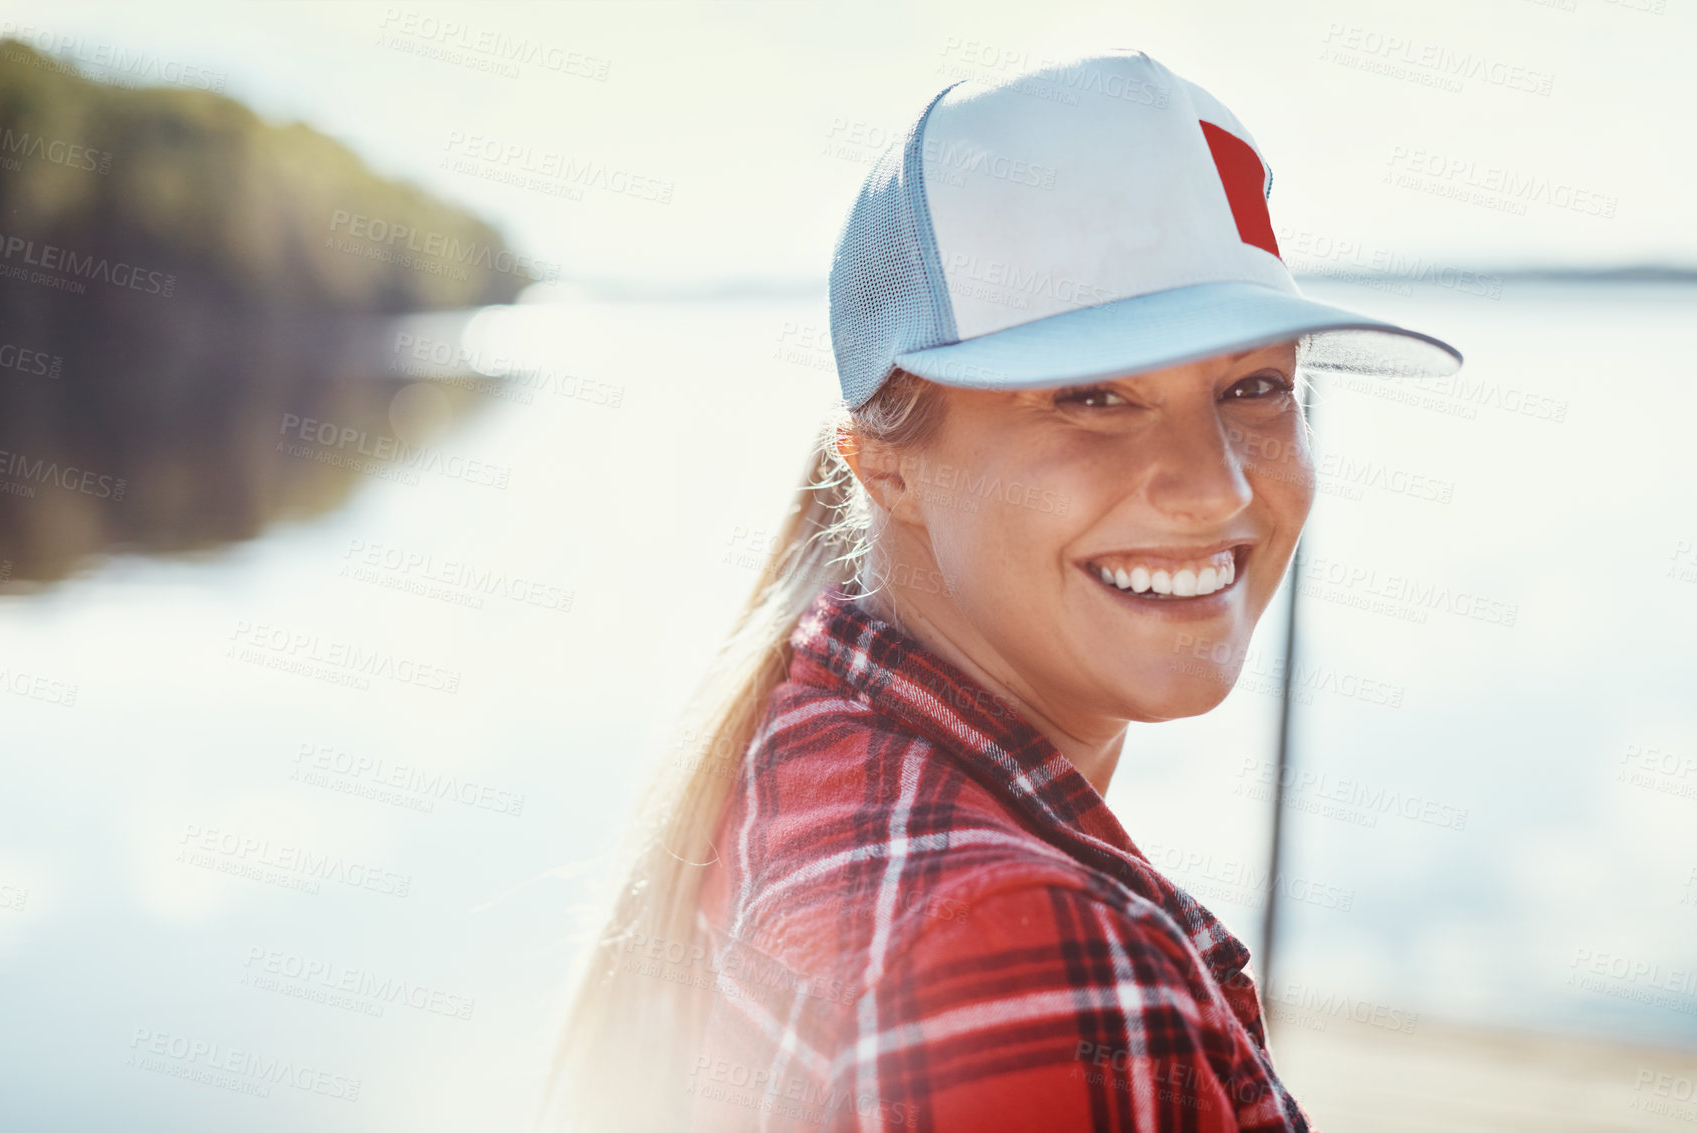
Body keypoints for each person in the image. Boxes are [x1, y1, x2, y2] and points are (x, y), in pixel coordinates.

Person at [545, 47, 1462, 1132]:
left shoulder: (805, 727)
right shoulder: (1030, 960)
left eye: (1256, 386)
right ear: (883, 459)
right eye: (1092, 395)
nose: (1213, 488)